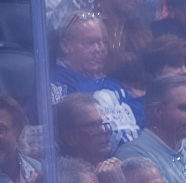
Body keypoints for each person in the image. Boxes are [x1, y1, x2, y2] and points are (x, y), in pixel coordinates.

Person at [51, 10, 140, 151]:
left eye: (103, 42)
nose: (100, 49)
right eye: (90, 43)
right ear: (65, 46)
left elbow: (143, 122)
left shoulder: (112, 84)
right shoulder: (57, 84)